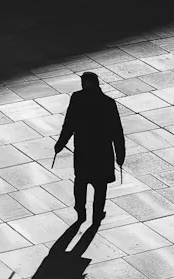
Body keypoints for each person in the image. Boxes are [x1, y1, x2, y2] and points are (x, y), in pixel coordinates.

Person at [53, 71, 125, 225]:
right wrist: (120, 154)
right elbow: (116, 130)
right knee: (100, 185)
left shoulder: (77, 98)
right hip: (102, 150)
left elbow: (69, 124)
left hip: (84, 148)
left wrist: (61, 143)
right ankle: (97, 213)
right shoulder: (108, 102)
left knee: (81, 181)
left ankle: (81, 210)